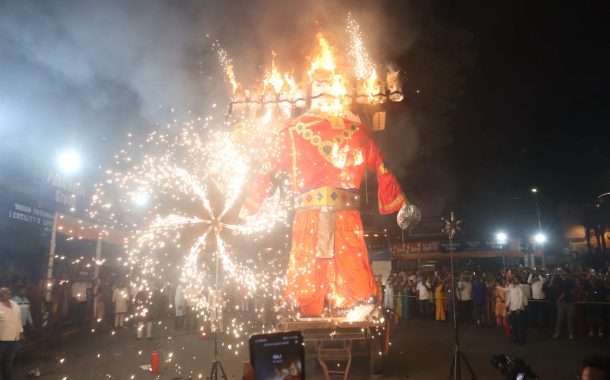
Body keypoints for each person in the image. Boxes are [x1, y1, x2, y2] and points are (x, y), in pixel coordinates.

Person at [239, 60, 418, 317]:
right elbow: (382, 167)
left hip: (308, 214)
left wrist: (250, 205)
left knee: (307, 264)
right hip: (344, 213)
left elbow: (265, 168)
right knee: (347, 259)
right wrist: (400, 203)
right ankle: (355, 302)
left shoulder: (290, 131)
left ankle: (306, 306)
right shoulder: (357, 130)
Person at [0, 287, 22, 380]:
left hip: (14, 339)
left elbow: (18, 319)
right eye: (5, 292)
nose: (8, 293)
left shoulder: (15, 304)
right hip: (2, 340)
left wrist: (21, 331)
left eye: (9, 292)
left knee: (8, 362)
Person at [506, 277, 528, 344]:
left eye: (515, 280)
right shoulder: (511, 289)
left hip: (519, 310)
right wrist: (507, 306)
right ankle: (515, 339)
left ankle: (521, 340)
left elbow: (521, 299)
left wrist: (519, 308)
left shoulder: (520, 288)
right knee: (514, 326)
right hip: (512, 309)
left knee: (520, 326)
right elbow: (509, 298)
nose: (514, 281)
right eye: (513, 280)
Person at [554, 274, 576, 340]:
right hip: (563, 302)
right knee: (560, 319)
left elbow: (572, 291)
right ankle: (558, 333)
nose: (563, 275)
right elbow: (558, 291)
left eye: (565, 274)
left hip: (569, 302)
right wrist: (560, 297)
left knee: (569, 319)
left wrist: (563, 295)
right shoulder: (560, 282)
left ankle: (570, 333)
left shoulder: (571, 281)